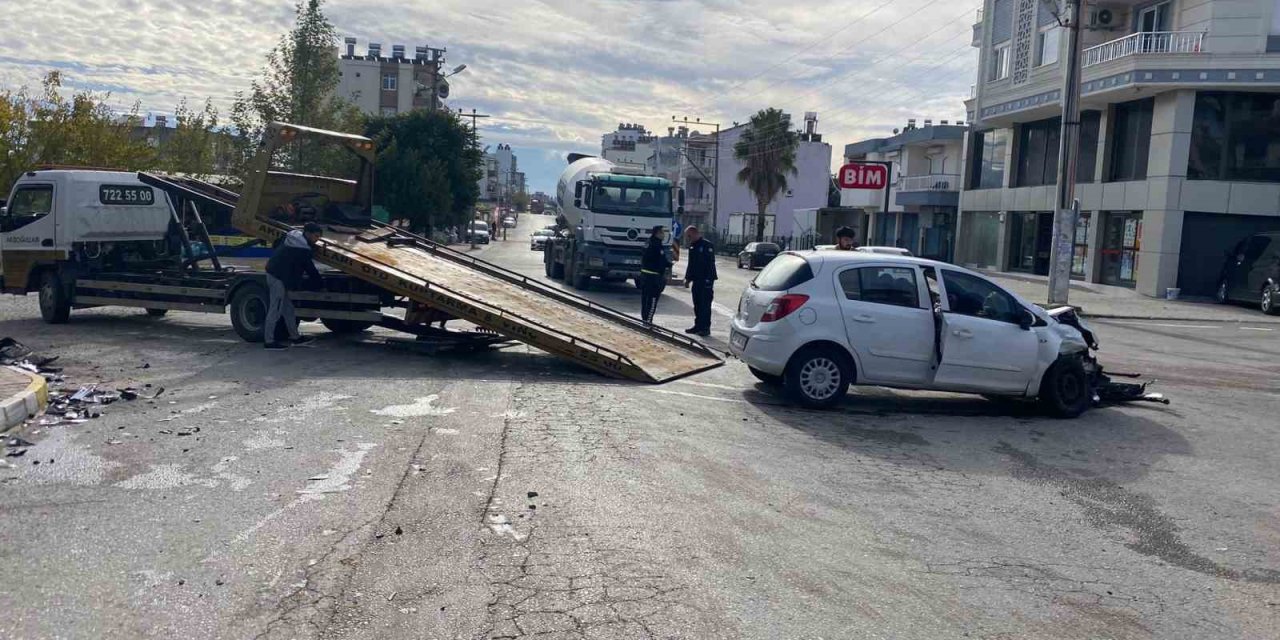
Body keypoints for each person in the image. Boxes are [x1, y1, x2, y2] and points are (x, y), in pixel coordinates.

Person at [264, 222, 324, 350]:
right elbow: (310, 269)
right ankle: (269, 342)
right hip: (277, 278)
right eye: (316, 236)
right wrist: (320, 283)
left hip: (276, 274)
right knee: (276, 309)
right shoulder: (302, 249)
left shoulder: (292, 235)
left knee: (288, 309)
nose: (317, 240)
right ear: (308, 234)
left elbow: (276, 244)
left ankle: (295, 338)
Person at [683, 226, 717, 336]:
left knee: (705, 305)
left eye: (689, 236)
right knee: (697, 304)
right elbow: (691, 264)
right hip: (697, 280)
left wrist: (708, 280)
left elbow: (710, 264)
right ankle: (698, 326)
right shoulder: (693, 246)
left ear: (694, 233)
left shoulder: (707, 245)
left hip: (706, 280)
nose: (688, 238)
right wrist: (688, 279)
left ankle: (705, 327)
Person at [639, 225, 671, 324]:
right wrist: (668, 265)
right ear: (657, 233)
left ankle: (644, 320)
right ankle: (648, 321)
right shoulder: (656, 245)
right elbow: (660, 261)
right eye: (662, 232)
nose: (664, 235)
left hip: (645, 275)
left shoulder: (648, 242)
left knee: (645, 300)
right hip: (653, 277)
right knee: (652, 300)